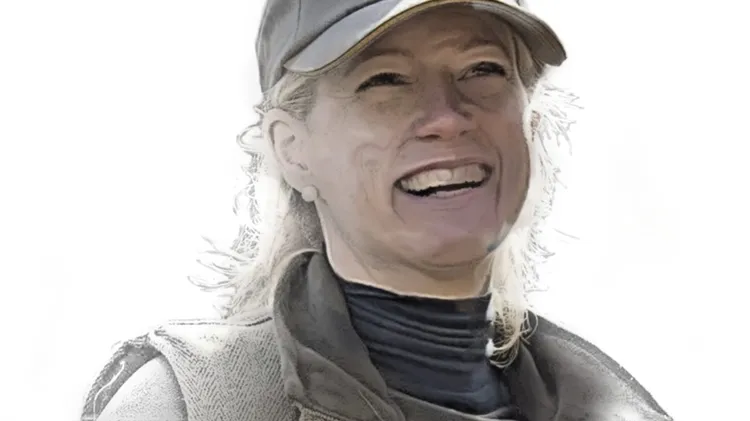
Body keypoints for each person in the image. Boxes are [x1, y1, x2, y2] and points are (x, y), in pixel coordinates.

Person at [81, 1, 673, 420]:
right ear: (292, 150)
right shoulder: (194, 405)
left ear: (530, 123)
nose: (447, 117)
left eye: (483, 70)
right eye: (385, 80)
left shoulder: (618, 408)